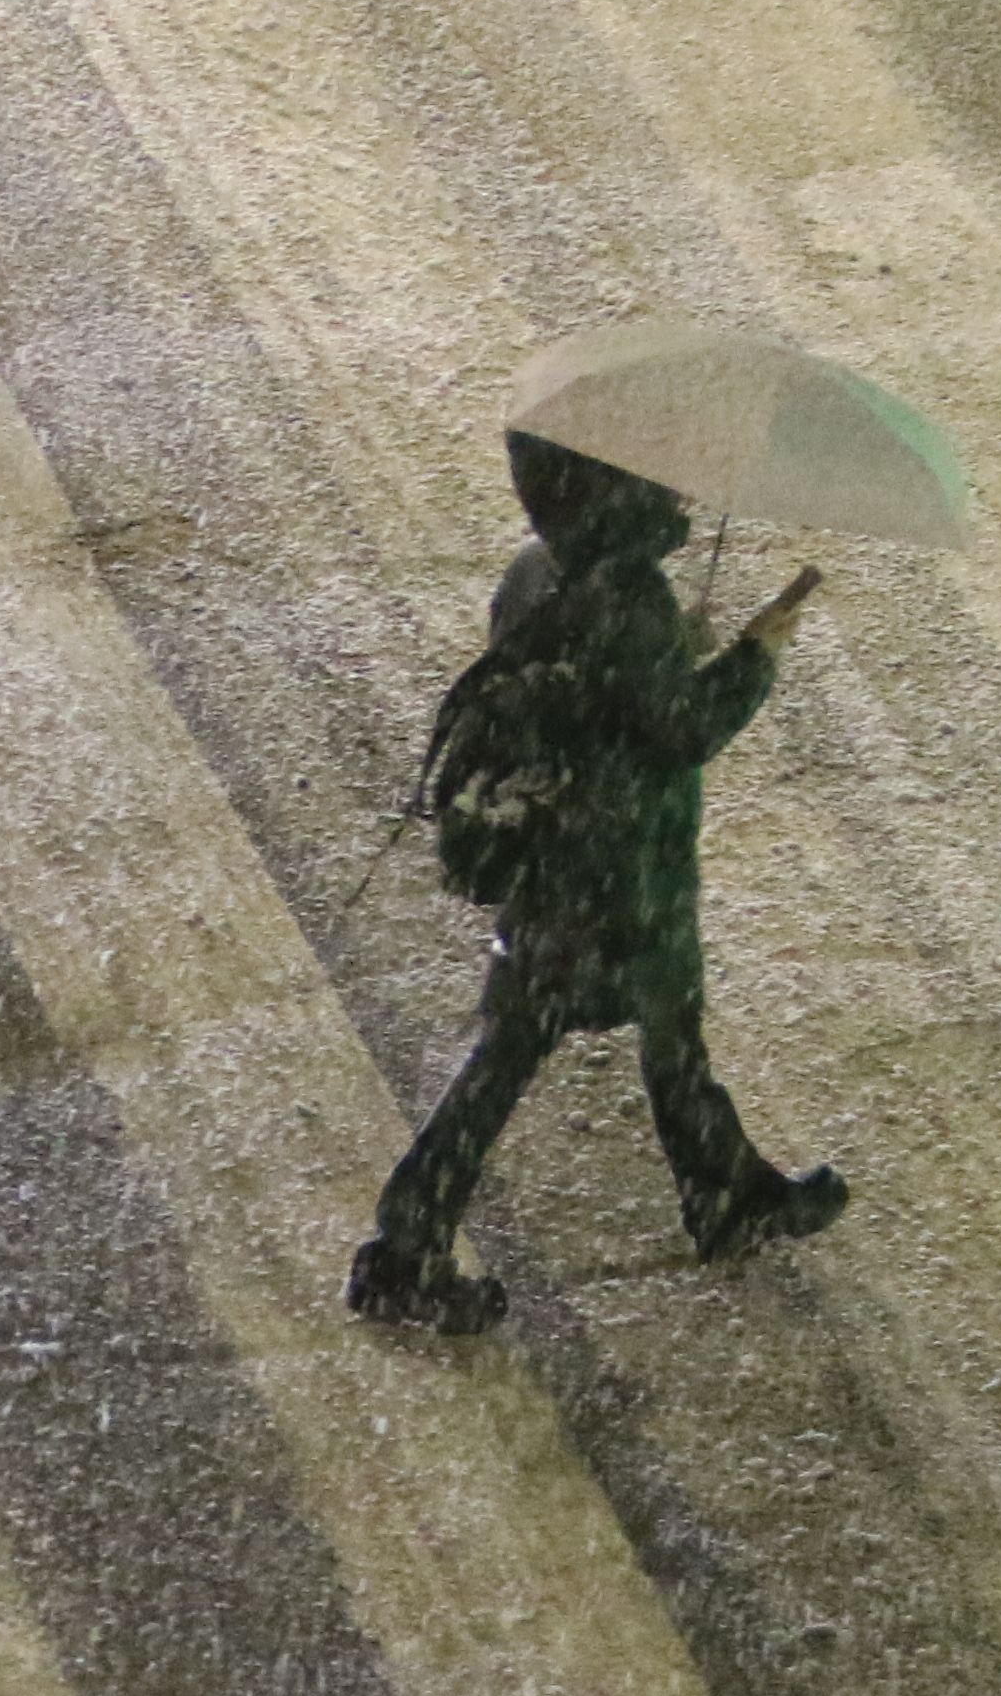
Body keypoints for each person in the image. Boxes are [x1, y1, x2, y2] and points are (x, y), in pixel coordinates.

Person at [351, 430, 845, 1335]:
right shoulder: (632, 598)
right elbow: (679, 733)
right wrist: (754, 656)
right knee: (532, 1055)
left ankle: (728, 1192)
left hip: (562, 865)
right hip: (621, 880)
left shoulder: (539, 570)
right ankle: (406, 1244)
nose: (682, 495)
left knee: (655, 1037)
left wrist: (667, 650)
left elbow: (590, 696)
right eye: (658, 480)